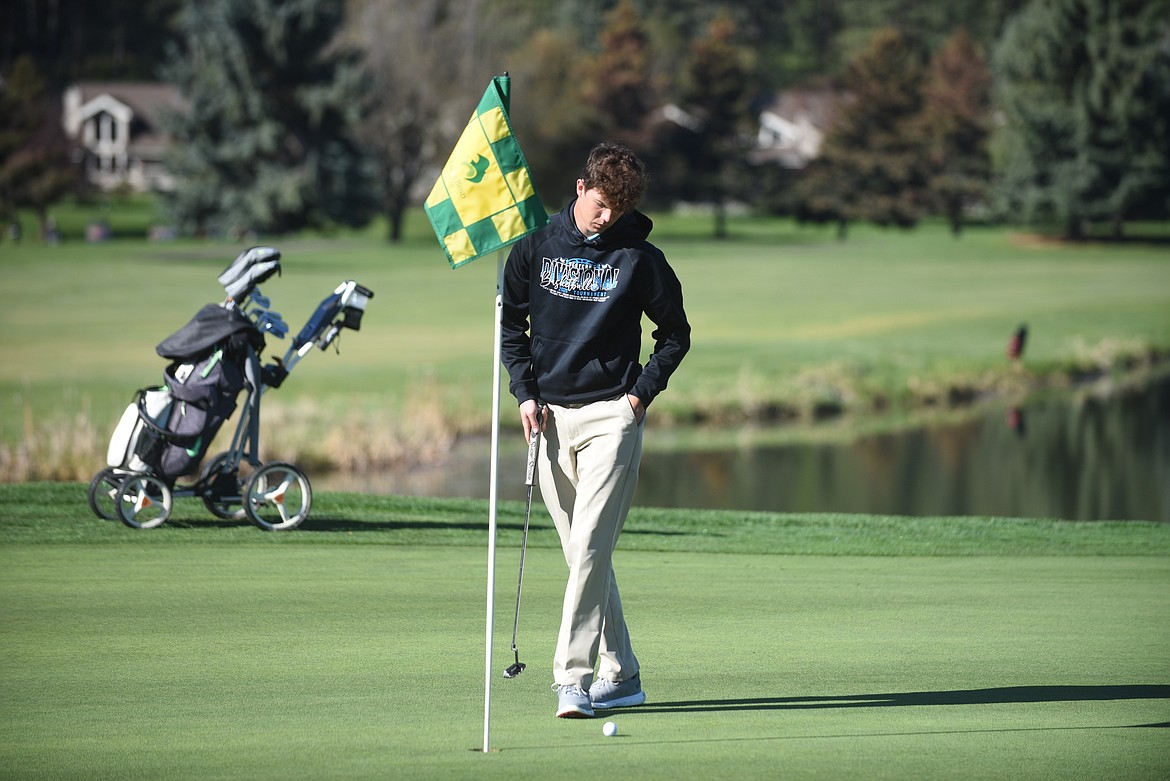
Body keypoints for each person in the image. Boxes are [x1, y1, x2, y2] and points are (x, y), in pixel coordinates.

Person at [500, 142, 691, 719]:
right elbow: (510, 326)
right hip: (550, 418)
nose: (607, 218)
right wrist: (524, 391)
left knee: (588, 548)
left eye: (619, 209)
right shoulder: (532, 248)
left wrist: (640, 395)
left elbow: (676, 335)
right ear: (581, 189)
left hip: (613, 415)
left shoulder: (641, 258)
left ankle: (571, 678)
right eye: (602, 204)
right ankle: (624, 675)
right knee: (583, 552)